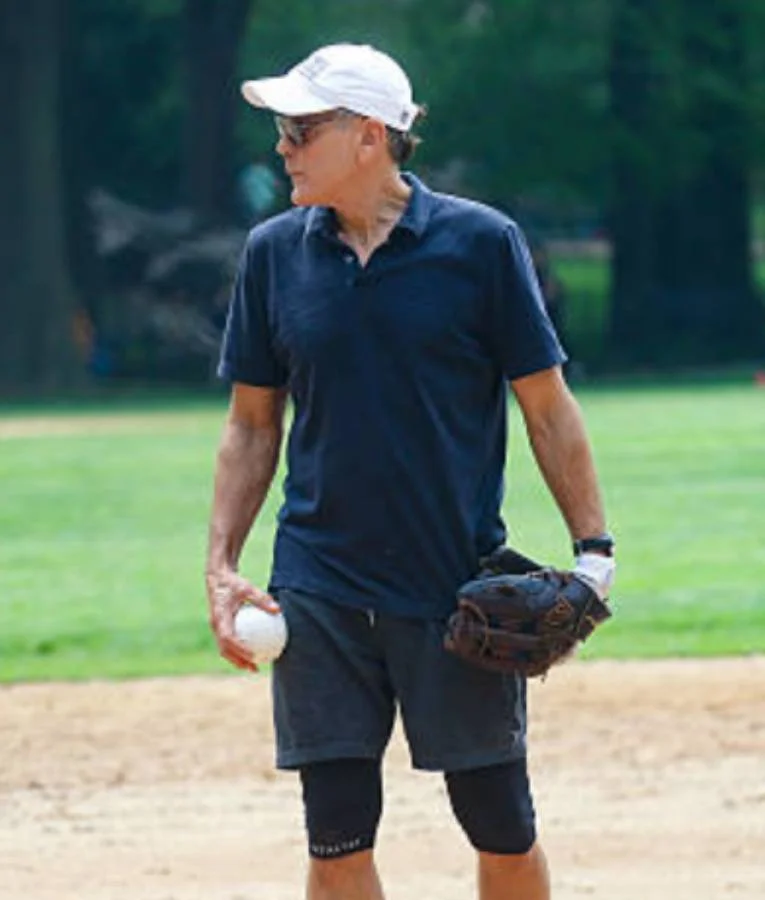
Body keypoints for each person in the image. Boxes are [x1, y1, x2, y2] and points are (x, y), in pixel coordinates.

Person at [205, 43, 616, 900]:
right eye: (282, 130)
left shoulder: (480, 244)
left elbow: (546, 407)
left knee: (500, 827)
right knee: (335, 838)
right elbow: (250, 425)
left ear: (369, 135)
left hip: (452, 586)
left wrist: (593, 554)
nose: (282, 146)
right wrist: (222, 564)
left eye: (300, 129)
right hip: (317, 585)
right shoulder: (273, 253)